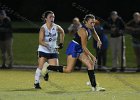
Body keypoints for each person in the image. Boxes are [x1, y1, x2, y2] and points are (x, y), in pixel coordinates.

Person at [42, 14, 105, 91]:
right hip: (74, 48)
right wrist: (92, 56)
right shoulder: (83, 31)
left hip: (79, 48)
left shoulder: (91, 27)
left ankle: (94, 86)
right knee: (68, 70)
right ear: (86, 22)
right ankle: (48, 67)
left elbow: (94, 33)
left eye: (93, 22)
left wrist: (98, 40)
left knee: (90, 64)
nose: (93, 24)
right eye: (91, 22)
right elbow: (84, 47)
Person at [34, 11, 65, 89]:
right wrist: (48, 45)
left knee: (55, 67)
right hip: (43, 49)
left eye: (53, 17)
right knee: (40, 66)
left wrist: (61, 43)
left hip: (53, 50)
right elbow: (40, 41)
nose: (52, 18)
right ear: (46, 19)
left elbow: (62, 32)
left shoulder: (56, 27)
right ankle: (36, 83)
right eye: (50, 17)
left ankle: (46, 71)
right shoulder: (43, 28)